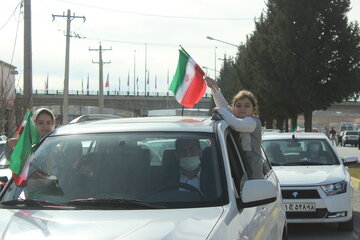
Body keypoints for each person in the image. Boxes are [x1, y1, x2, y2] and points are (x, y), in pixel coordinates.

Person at [205, 76, 264, 179]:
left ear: (254, 109)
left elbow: (236, 124)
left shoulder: (253, 122)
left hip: (253, 171)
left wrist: (220, 111)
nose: (242, 109)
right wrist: (214, 88)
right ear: (234, 108)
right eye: (238, 105)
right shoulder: (234, 116)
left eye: (247, 105)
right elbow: (224, 105)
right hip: (239, 167)